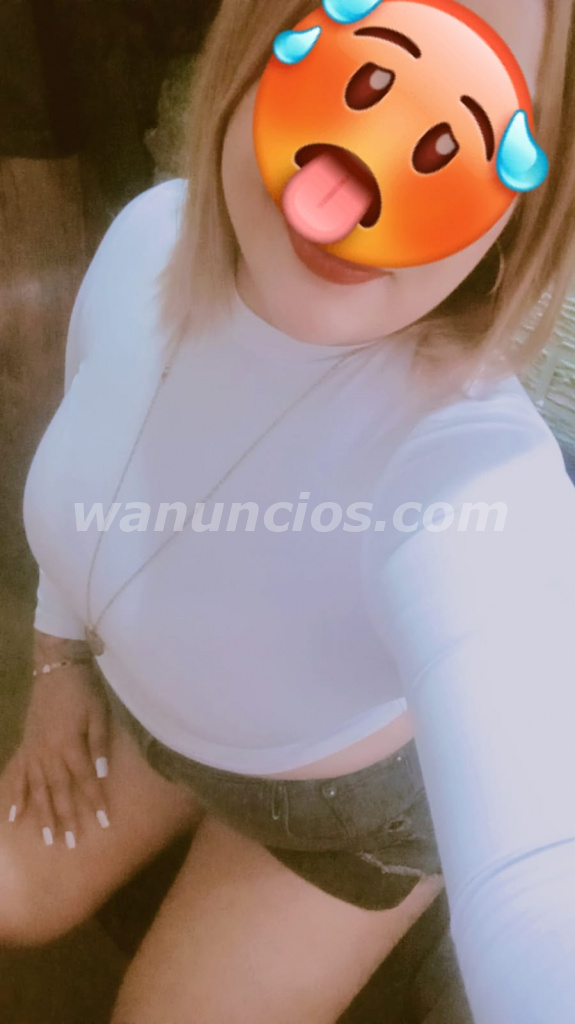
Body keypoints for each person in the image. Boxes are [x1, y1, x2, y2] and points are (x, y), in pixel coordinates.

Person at [1, 1, 574, 1021]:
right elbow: (89, 474)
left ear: (523, 201)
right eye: (368, 67)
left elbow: (543, 886)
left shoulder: (468, 466)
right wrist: (58, 660)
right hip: (146, 708)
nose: (365, 175)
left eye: (460, 131)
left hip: (351, 820)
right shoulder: (148, 235)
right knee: (16, 900)